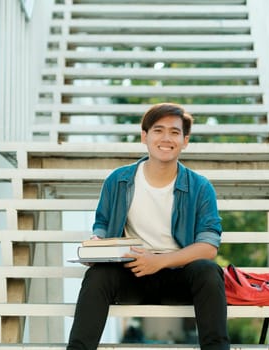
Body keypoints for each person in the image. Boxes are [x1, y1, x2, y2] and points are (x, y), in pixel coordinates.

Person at [67, 102, 230, 350]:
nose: (166, 138)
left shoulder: (200, 187)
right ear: (144, 136)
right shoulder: (118, 181)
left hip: (178, 277)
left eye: (174, 132)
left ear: (185, 140)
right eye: (158, 130)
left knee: (208, 271)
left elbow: (208, 248)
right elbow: (101, 225)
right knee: (97, 276)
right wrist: (97, 244)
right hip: (131, 274)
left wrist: (159, 261)